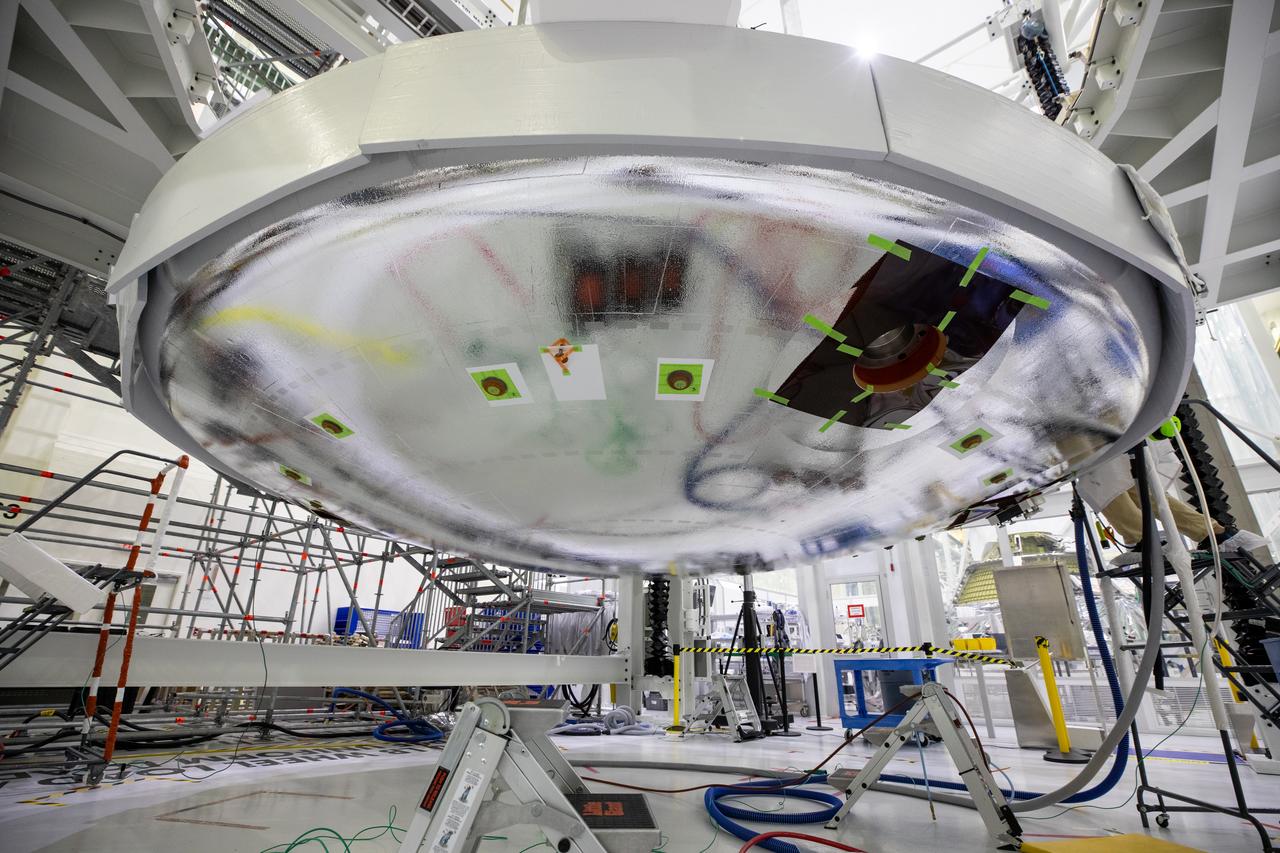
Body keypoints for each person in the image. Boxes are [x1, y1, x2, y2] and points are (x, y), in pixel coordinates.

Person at [1077, 442, 1265, 553]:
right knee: (1132, 485)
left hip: (1085, 430)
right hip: (1112, 428)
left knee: (1101, 482)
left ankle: (1141, 538)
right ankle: (1212, 532)